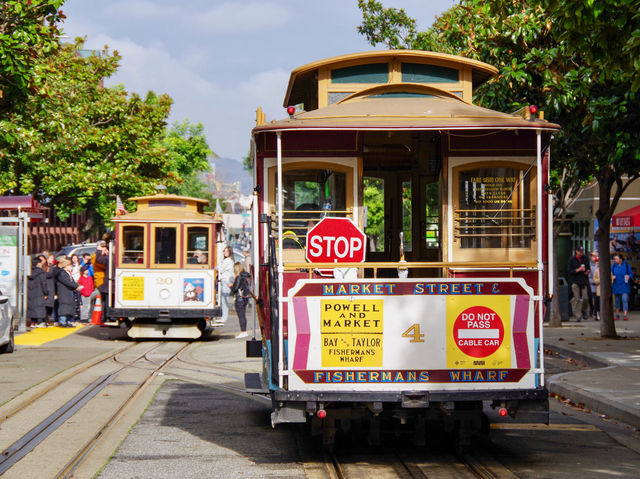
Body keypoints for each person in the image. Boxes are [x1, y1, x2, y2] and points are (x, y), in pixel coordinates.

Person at [56, 258, 82, 327]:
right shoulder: (62, 273)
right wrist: (76, 286)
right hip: (64, 292)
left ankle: (67, 321)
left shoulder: (67, 273)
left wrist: (76, 285)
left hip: (68, 292)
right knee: (64, 306)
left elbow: (71, 281)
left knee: (68, 306)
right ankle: (63, 321)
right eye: (70, 266)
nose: (71, 267)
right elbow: (67, 282)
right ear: (66, 266)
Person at [567, 246, 590, 321]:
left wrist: (587, 271)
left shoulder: (585, 258)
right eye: (580, 251)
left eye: (582, 251)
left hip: (583, 281)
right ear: (576, 251)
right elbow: (570, 271)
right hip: (575, 281)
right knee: (577, 299)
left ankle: (584, 310)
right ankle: (578, 315)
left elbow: (588, 268)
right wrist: (578, 270)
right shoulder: (571, 260)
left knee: (585, 298)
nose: (581, 253)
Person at [230, 261, 251, 338]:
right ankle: (244, 331)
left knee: (241, 316)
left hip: (239, 298)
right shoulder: (247, 276)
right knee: (243, 315)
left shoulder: (239, 277)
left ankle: (243, 331)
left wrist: (231, 286)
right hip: (245, 298)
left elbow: (235, 288)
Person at [27, 256, 49, 327]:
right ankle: (39, 322)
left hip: (30, 293)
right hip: (39, 293)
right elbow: (44, 284)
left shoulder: (29, 273)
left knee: (32, 307)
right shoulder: (41, 273)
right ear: (38, 264)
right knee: (39, 308)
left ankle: (33, 322)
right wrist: (46, 293)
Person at [215, 246, 235, 326]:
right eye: (224, 251)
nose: (224, 253)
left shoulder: (228, 260)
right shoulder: (229, 260)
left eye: (226, 251)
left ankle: (224, 317)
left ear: (230, 252)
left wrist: (215, 266)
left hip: (226, 281)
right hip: (226, 281)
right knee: (224, 300)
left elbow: (220, 268)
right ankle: (224, 316)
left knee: (224, 300)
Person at [611, 253, 632, 321]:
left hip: (624, 286)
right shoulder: (613, 266)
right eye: (614, 259)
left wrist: (629, 276)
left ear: (621, 259)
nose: (615, 260)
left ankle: (625, 315)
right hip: (616, 285)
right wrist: (612, 277)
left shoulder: (626, 265)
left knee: (624, 300)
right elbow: (610, 274)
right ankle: (617, 315)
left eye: (616, 259)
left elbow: (631, 274)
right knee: (617, 301)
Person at [588, 251, 599, 320]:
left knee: (597, 300)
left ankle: (595, 312)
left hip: (598, 286)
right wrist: (594, 281)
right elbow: (589, 277)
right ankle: (592, 310)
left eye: (596, 256)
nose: (594, 257)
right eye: (593, 256)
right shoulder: (589, 265)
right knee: (590, 299)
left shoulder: (599, 265)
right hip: (592, 285)